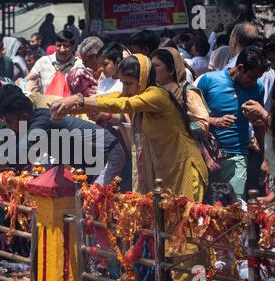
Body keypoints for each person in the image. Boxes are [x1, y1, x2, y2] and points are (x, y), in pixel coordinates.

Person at [50, 54, 208, 201]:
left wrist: (78, 99)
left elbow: (122, 104)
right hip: (164, 171)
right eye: (122, 83)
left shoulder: (157, 96)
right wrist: (68, 108)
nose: (125, 89)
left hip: (185, 168)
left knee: (187, 225)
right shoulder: (133, 93)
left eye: (128, 83)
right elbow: (107, 99)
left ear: (143, 79)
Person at [0, 84, 125, 185]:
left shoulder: (41, 123)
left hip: (109, 153)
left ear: (23, 117)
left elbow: (17, 156)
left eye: (9, 122)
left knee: (93, 201)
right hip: (89, 163)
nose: (8, 127)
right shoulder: (30, 124)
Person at [195, 46, 269, 199]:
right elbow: (191, 117)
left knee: (235, 206)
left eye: (258, 78)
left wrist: (264, 156)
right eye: (252, 77)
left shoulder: (257, 88)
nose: (254, 82)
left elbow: (258, 126)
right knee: (208, 207)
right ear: (240, 68)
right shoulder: (209, 81)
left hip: (238, 158)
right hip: (208, 157)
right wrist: (215, 121)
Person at [150, 47, 209, 140]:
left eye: (156, 66)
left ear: (172, 69)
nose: (151, 70)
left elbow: (202, 124)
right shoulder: (153, 91)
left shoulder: (187, 92)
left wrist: (175, 129)